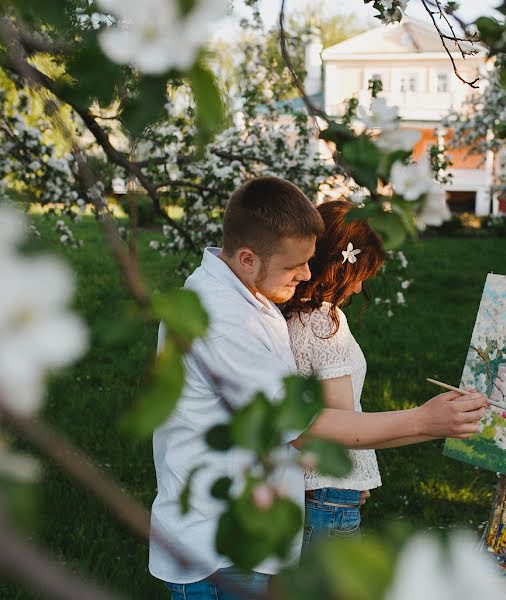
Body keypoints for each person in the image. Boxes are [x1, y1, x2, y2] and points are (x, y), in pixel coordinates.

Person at [148, 177, 487, 599]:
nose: (308, 274)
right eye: (295, 266)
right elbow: (305, 427)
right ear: (248, 258)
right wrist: (424, 420)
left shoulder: (245, 299)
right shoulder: (222, 322)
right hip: (216, 552)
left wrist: (433, 424)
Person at [283, 199, 452, 550]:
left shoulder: (293, 317)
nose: (360, 289)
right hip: (328, 493)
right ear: (339, 267)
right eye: (359, 276)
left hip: (310, 488)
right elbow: (341, 426)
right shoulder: (324, 324)